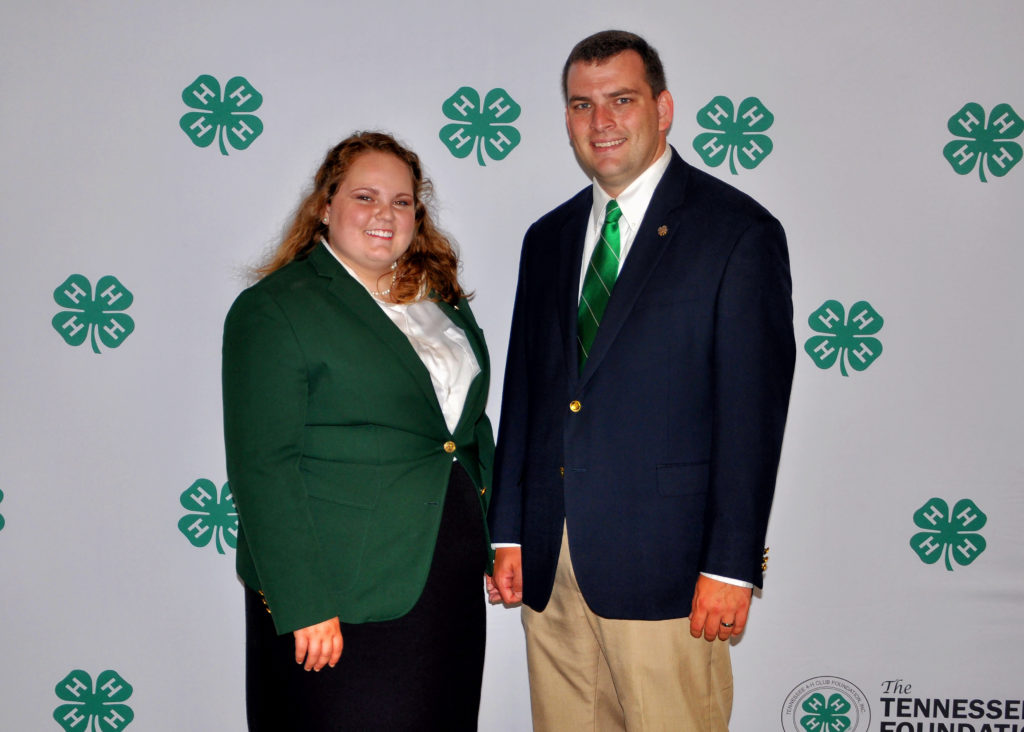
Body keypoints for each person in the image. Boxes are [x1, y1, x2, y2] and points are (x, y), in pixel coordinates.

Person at [486, 30, 795, 730]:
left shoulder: (737, 233)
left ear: (664, 107)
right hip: (551, 565)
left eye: (621, 100)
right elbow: (527, 392)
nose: (601, 122)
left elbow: (752, 416)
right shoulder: (549, 238)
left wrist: (731, 564)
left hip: (671, 572)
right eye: (581, 105)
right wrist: (508, 529)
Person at [222, 131, 494, 731]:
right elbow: (263, 467)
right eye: (365, 196)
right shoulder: (276, 308)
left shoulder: (440, 296)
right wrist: (305, 604)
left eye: (401, 202)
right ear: (325, 204)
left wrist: (496, 536)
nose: (385, 214)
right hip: (339, 592)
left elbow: (467, 430)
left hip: (442, 581)